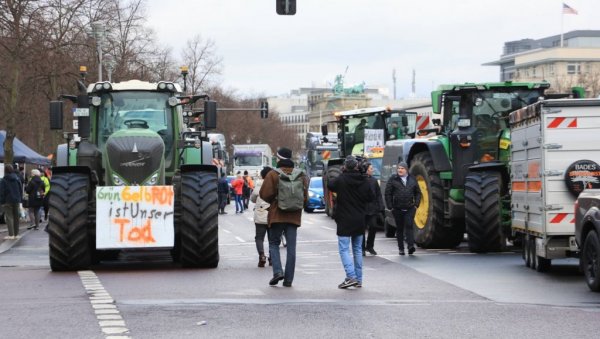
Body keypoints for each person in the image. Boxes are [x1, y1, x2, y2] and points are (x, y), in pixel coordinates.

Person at [260, 147, 308, 287]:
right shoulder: (300, 174)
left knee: (274, 244)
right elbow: (305, 196)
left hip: (277, 215)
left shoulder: (273, 174)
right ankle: (288, 280)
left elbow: (264, 194)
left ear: (279, 159)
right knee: (291, 248)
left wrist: (275, 201)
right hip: (294, 216)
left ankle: (277, 272)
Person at [327, 156, 374, 289]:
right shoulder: (364, 180)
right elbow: (371, 196)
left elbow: (330, 184)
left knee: (344, 249)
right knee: (358, 250)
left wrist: (342, 173)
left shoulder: (341, 179)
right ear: (357, 166)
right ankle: (358, 279)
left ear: (345, 167)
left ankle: (351, 276)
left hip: (344, 219)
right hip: (359, 218)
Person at [384, 161, 422, 255]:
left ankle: (410, 246)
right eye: (399, 168)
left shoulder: (412, 179)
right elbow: (387, 193)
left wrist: (416, 205)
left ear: (406, 170)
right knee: (400, 228)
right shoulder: (393, 179)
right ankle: (401, 248)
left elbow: (418, 192)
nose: (400, 170)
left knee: (409, 226)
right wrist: (390, 206)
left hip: (410, 208)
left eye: (402, 168)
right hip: (397, 208)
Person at [251, 166, 273, 267]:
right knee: (272, 238)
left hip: (260, 213)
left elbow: (253, 197)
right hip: (273, 214)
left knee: (259, 237)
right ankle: (273, 257)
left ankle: (262, 255)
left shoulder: (259, 183)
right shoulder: (275, 183)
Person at [362, 161, 384, 256]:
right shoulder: (361, 180)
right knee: (361, 229)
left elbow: (378, 194)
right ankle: (362, 248)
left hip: (373, 208)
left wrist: (381, 206)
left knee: (374, 226)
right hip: (362, 208)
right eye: (371, 168)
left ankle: (370, 246)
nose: (373, 170)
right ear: (366, 170)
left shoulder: (374, 180)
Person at [0, 164, 23, 240]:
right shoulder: (17, 178)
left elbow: (2, 192)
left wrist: (2, 201)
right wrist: (20, 199)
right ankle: (16, 234)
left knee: (9, 217)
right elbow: (20, 189)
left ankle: (11, 235)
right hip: (16, 200)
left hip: (7, 200)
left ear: (5, 171)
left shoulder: (4, 180)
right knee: (16, 217)